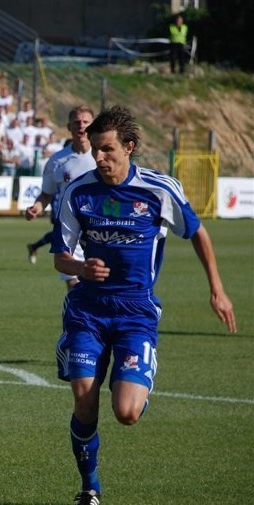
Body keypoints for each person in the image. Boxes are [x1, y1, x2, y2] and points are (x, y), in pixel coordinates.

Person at [49, 106, 236, 505]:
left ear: (129, 147)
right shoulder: (78, 191)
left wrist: (216, 290)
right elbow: (60, 256)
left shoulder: (158, 190)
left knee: (127, 413)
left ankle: (139, 376)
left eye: (107, 149)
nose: (98, 158)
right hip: (88, 310)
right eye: (96, 150)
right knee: (85, 397)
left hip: (136, 312)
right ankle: (89, 488)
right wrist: (81, 265)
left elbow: (198, 233)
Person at [25, 105, 96, 290]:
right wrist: (36, 207)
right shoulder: (57, 161)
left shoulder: (103, 156)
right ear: (69, 127)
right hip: (69, 228)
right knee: (75, 286)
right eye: (77, 122)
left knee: (100, 285)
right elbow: (46, 194)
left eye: (85, 122)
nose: (81, 126)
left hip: (100, 228)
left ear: (93, 126)